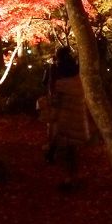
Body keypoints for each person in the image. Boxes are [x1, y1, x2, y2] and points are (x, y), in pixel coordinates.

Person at [48, 50, 90, 192]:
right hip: (78, 119)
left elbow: (55, 104)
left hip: (65, 121)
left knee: (65, 153)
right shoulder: (79, 80)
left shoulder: (61, 83)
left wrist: (52, 119)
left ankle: (69, 179)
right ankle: (74, 177)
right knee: (72, 152)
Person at [42, 46, 78, 162]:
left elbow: (49, 83)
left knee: (57, 128)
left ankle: (53, 152)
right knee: (72, 130)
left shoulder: (55, 68)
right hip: (74, 99)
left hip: (60, 99)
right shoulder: (74, 66)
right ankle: (70, 154)